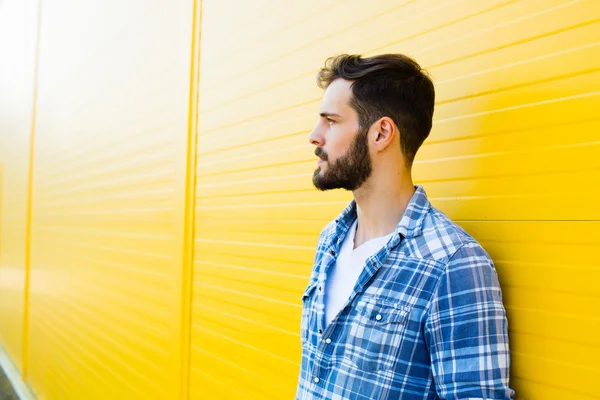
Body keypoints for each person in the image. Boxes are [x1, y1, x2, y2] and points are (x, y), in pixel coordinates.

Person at [296, 54, 515, 399]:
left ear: (382, 133)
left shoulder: (453, 264)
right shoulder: (330, 240)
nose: (314, 136)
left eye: (331, 121)